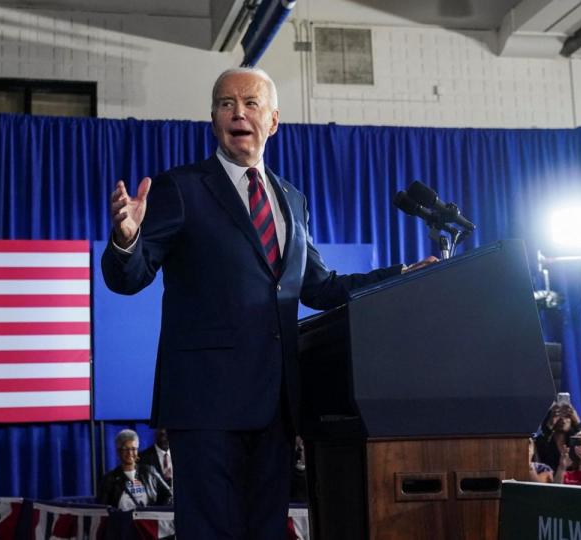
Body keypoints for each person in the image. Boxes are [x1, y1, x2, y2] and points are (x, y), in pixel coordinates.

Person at [101, 66, 435, 539]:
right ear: (214, 119)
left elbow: (319, 286)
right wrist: (126, 238)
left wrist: (399, 278)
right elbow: (129, 277)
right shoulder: (182, 187)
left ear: (273, 121)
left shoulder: (292, 200)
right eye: (225, 103)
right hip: (206, 405)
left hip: (276, 407)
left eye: (250, 103)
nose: (238, 112)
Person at [96, 429, 172, 509]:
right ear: (118, 451)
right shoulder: (109, 479)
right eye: (125, 449)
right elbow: (101, 509)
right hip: (122, 521)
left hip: (148, 521)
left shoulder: (150, 472)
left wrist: (156, 513)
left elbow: (168, 495)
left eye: (133, 449)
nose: (130, 453)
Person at [533, 403, 581, 471]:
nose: (563, 420)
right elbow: (539, 444)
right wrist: (550, 425)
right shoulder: (545, 441)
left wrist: (577, 421)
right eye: (559, 416)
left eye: (566, 416)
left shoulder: (576, 440)